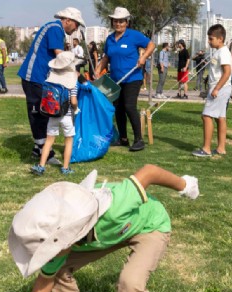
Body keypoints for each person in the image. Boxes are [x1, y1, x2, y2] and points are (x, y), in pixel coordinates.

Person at [5, 164, 200, 292]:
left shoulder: (115, 206)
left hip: (150, 226)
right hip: (105, 235)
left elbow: (149, 172)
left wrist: (185, 185)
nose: (47, 254)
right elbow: (44, 281)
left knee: (131, 282)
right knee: (57, 271)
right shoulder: (60, 242)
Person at [18, 7, 85, 162]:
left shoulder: (54, 28)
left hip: (40, 77)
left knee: (43, 112)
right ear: (67, 21)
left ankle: (38, 148)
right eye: (76, 24)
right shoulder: (55, 28)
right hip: (34, 76)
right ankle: (43, 150)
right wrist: (76, 71)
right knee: (38, 112)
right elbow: (59, 55)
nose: (76, 28)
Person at [95, 7, 155, 152]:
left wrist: (144, 57)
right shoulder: (109, 39)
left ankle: (139, 140)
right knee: (118, 109)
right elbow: (106, 57)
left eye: (121, 21)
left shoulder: (134, 35)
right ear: (112, 22)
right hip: (115, 80)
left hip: (133, 78)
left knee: (129, 106)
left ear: (127, 22)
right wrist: (98, 69)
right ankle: (123, 139)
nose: (118, 24)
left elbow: (151, 44)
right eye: (116, 21)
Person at [30, 52, 80, 176]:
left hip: (52, 114)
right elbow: (73, 101)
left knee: (49, 141)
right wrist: (76, 109)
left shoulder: (50, 76)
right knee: (68, 140)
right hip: (67, 115)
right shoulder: (73, 81)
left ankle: (41, 166)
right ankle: (65, 168)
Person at [191, 24, 232, 157]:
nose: (209, 41)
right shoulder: (218, 51)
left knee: (206, 116)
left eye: (211, 39)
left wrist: (216, 89)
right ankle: (221, 148)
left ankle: (206, 149)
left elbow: (227, 72)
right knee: (220, 118)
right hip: (218, 88)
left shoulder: (224, 52)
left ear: (220, 39)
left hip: (220, 89)